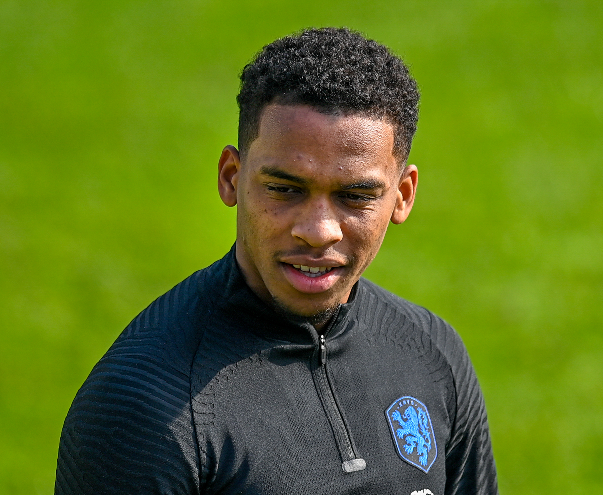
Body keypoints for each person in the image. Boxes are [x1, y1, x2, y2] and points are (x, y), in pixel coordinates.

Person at [55, 27, 498, 494]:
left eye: (355, 196)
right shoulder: (142, 405)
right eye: (285, 189)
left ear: (402, 196)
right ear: (232, 177)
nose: (318, 231)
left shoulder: (432, 353)